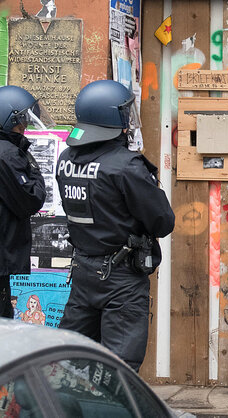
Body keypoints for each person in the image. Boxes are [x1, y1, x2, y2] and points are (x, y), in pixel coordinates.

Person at [57, 80, 175, 372]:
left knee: (72, 360)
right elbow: (163, 221)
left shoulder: (65, 160)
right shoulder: (125, 167)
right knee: (119, 369)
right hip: (120, 278)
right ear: (113, 119)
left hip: (83, 270)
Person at [0, 85, 46, 319]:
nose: (25, 127)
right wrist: (34, 168)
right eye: (21, 122)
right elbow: (31, 198)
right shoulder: (7, 154)